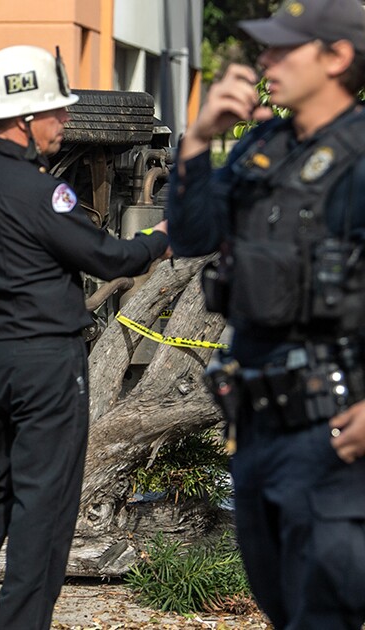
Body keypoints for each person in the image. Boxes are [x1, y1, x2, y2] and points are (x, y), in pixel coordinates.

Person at [0, 45, 170, 630]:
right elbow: (107, 255)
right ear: (23, 119)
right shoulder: (42, 191)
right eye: (55, 111)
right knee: (45, 505)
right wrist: (163, 236)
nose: (64, 121)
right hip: (48, 363)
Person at [166, 0, 365, 626]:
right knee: (283, 607)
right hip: (255, 427)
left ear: (337, 58)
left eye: (284, 48)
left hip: (333, 433)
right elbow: (194, 237)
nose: (265, 60)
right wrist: (197, 142)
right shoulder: (262, 146)